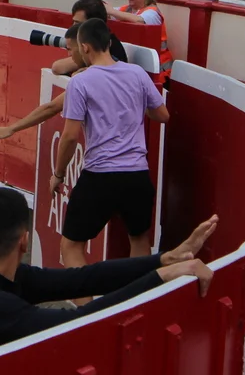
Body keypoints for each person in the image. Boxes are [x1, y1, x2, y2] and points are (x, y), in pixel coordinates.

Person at [0, 186, 216, 370]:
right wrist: (160, 278)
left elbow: (83, 279)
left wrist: (162, 260)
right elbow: (81, 323)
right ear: (24, 242)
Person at [53, 18, 169, 292]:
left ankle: (87, 309)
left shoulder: (81, 82)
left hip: (100, 175)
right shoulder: (137, 74)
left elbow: (69, 137)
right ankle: (136, 304)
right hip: (137, 173)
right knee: (139, 240)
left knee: (71, 246)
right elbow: (162, 115)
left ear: (85, 47)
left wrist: (58, 173)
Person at [0, 3, 127, 144]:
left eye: (70, 49)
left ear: (83, 46)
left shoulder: (85, 79)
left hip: (104, 154)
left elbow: (57, 117)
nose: (69, 54)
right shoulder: (133, 72)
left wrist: (12, 128)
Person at [106, 0, 173, 84]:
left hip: (159, 70)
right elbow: (112, 14)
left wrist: (112, 12)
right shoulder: (127, 9)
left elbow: (139, 20)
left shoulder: (153, 13)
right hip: (140, 64)